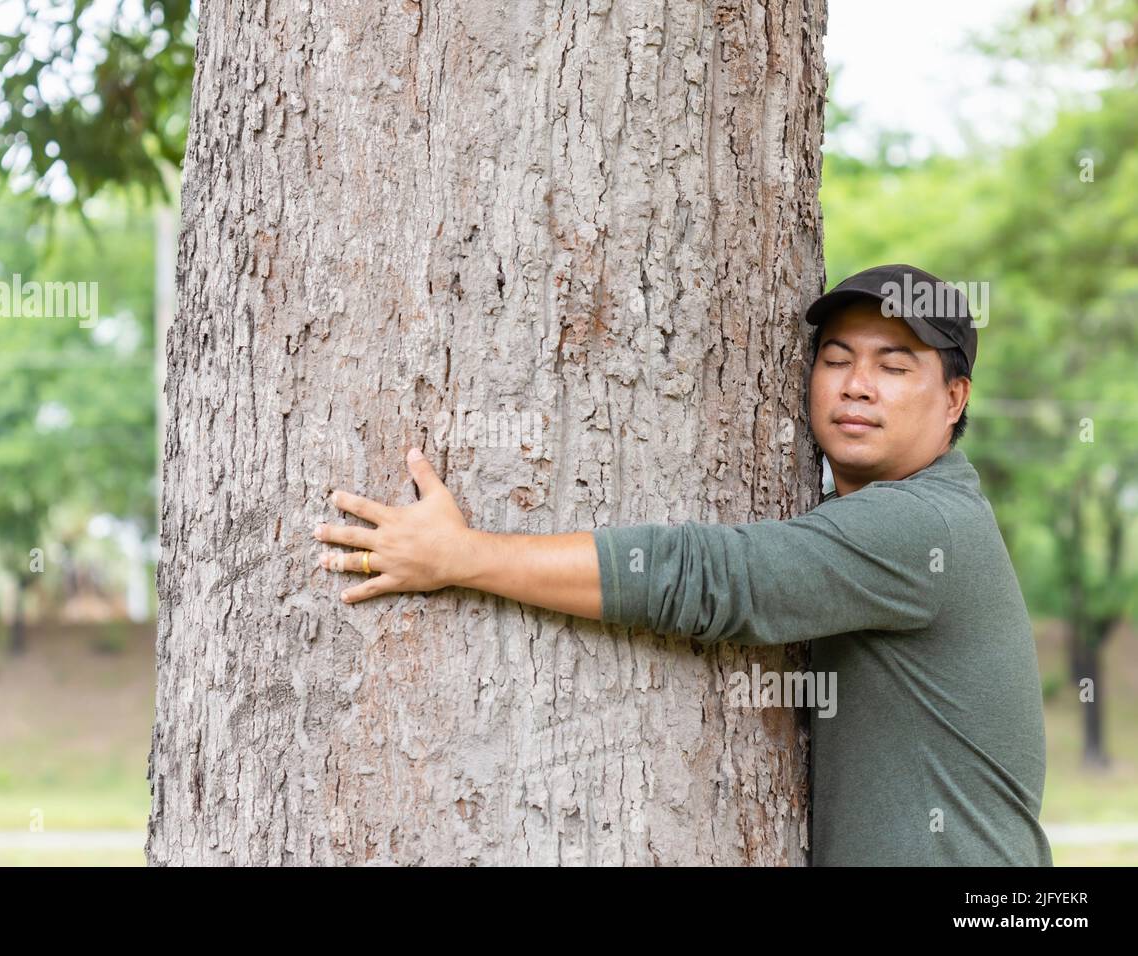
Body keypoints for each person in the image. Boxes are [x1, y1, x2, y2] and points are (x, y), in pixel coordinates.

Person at [310, 264, 1053, 867]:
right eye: (835, 360)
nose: (857, 385)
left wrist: (461, 555)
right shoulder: (900, 515)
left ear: (954, 399)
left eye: (893, 367)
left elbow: (714, 578)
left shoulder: (921, 525)